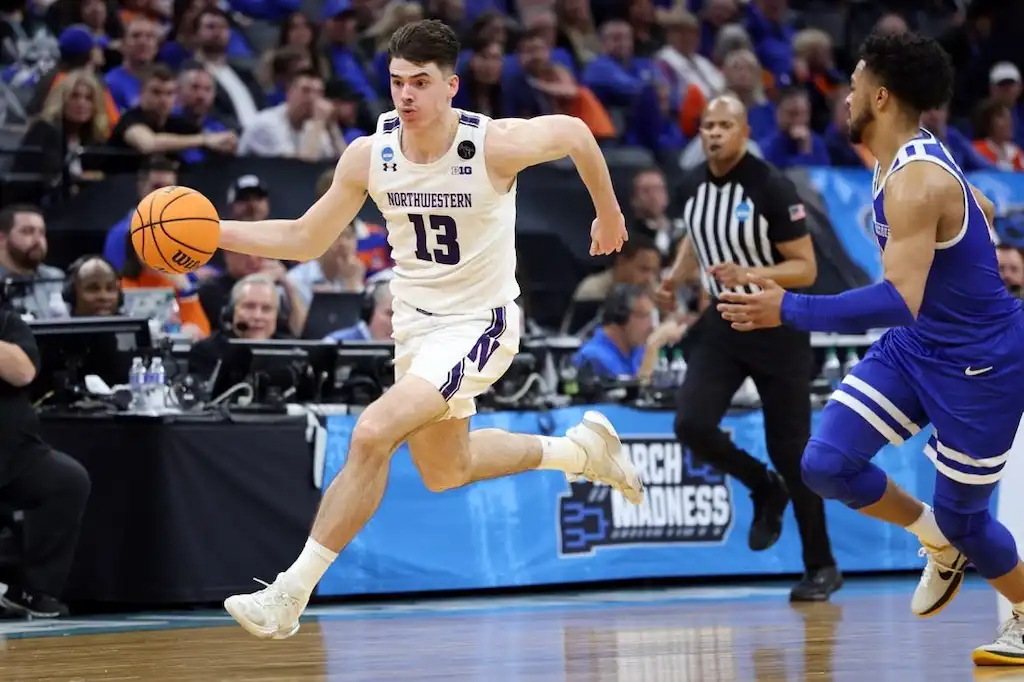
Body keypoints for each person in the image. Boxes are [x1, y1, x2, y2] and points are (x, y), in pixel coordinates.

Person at [218, 19, 642, 640]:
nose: (406, 95)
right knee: (448, 469)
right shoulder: (370, 153)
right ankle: (581, 452)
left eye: (421, 83)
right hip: (416, 329)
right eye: (396, 82)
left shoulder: (491, 144)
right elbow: (305, 237)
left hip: (480, 324)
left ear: (451, 86)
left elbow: (577, 131)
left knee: (372, 432)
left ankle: (288, 595)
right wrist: (214, 234)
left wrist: (608, 211)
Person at [716, 30, 1024, 665]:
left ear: (880, 97)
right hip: (920, 347)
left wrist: (788, 308)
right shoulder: (896, 158)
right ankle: (933, 537)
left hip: (981, 362)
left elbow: (896, 299)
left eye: (853, 83)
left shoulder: (916, 179)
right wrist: (971, 215)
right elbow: (978, 209)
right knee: (825, 464)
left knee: (972, 520)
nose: (845, 95)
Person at [658, 94, 840, 601]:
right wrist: (674, 280)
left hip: (777, 322)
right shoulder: (691, 184)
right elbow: (697, 236)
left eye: (724, 125)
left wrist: (752, 274)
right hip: (723, 319)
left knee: (792, 450)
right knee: (690, 424)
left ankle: (821, 565)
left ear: (742, 131)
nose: (713, 133)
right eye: (706, 125)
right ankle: (763, 487)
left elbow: (805, 268)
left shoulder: (772, 186)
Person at [0, 289, 91, 618]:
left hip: (15, 451)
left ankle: (33, 589)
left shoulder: (7, 322)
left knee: (67, 480)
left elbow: (23, 371)